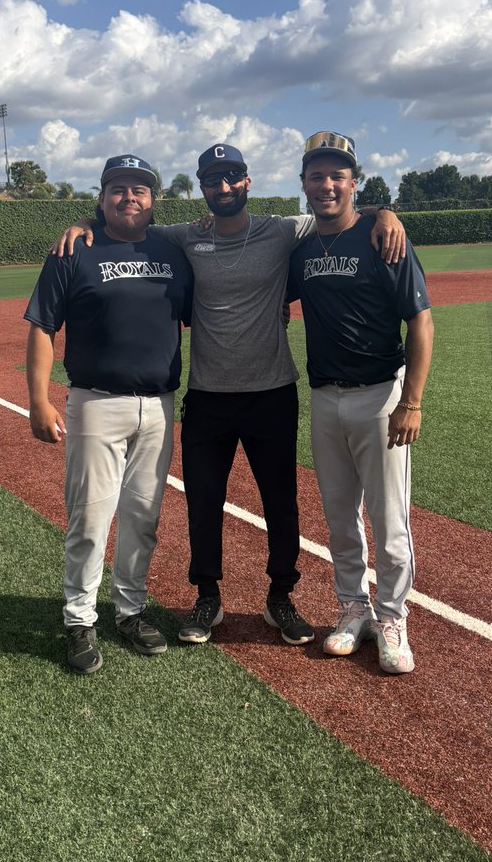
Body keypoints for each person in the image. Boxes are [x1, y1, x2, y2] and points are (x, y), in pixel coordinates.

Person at [52, 142, 407, 648]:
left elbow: (336, 208)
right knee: (204, 503)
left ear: (247, 181)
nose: (223, 187)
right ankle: (207, 597)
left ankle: (280, 597)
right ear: (202, 187)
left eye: (231, 177)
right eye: (212, 180)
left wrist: (383, 213)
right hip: (208, 395)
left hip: (272, 391)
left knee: (280, 502)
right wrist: (84, 223)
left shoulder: (282, 230)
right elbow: (128, 222)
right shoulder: (184, 236)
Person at [25, 155, 193, 674]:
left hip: (159, 406)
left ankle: (131, 610)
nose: (129, 197)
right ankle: (79, 619)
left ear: (153, 200)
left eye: (139, 190)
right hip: (96, 402)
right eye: (118, 188)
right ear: (101, 198)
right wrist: (38, 399)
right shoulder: (73, 249)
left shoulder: (171, 251)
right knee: (90, 519)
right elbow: (42, 327)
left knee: (143, 519)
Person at [287, 131, 434, 674]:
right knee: (340, 518)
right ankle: (353, 609)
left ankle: (392, 617)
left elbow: (420, 321)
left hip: (379, 396)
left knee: (389, 518)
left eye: (337, 175)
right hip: (324, 398)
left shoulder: (382, 238)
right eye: (317, 175)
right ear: (304, 184)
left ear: (354, 183)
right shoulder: (303, 250)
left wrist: (411, 401)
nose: (326, 184)